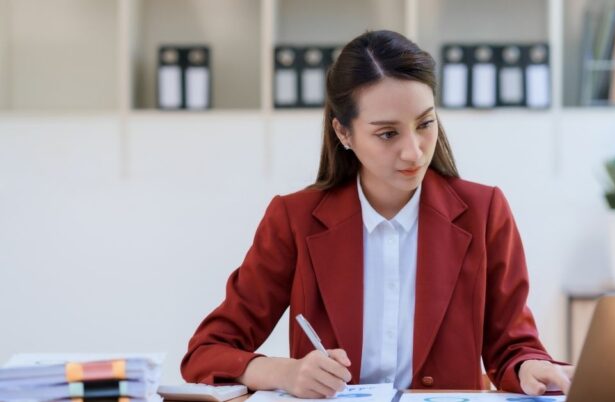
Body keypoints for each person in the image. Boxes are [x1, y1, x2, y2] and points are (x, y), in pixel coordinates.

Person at [181, 30, 573, 398]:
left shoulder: (483, 212)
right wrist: (285, 373)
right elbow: (207, 352)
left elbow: (513, 347)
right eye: (388, 133)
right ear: (344, 133)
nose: (414, 152)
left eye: (425, 124)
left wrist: (527, 366)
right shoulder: (294, 219)